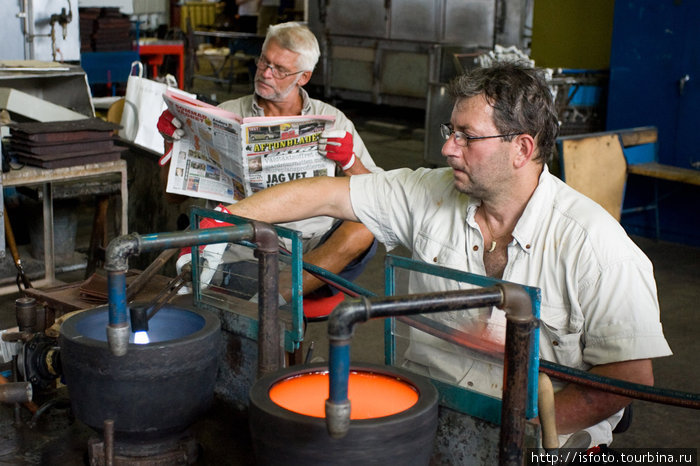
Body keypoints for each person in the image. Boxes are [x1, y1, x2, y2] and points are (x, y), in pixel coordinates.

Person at [218, 62, 672, 448]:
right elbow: (325, 195)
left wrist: (518, 432)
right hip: (430, 416)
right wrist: (219, 225)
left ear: (523, 148)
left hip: (536, 439)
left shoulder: (596, 246)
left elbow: (628, 377)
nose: (447, 148)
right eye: (449, 131)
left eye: (466, 137)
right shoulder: (429, 193)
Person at [158, 21, 380, 300]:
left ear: (303, 77)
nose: (265, 73)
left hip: (312, 247)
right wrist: (172, 144)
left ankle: (272, 297)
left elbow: (380, 197)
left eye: (280, 70)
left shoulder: (333, 121)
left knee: (365, 227)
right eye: (264, 61)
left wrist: (350, 162)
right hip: (241, 243)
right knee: (235, 273)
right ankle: (278, 294)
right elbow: (173, 199)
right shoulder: (225, 114)